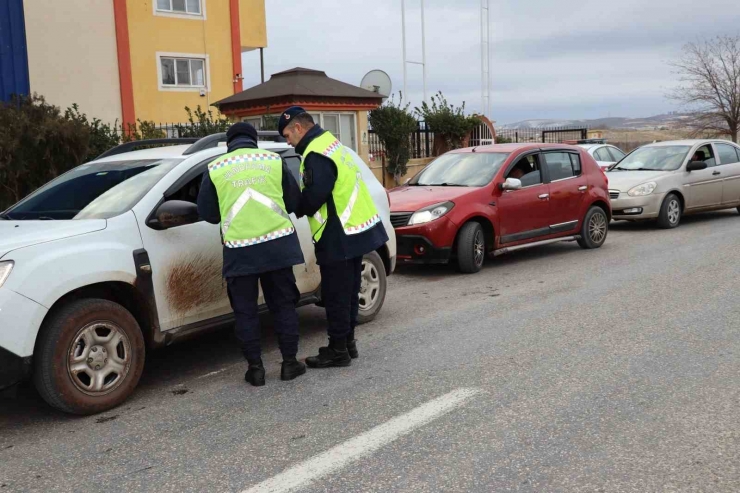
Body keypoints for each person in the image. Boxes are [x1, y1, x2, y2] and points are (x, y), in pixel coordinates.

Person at [197, 122, 306, 386]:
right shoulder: (273, 161)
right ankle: (289, 364)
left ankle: (255, 370)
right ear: (254, 141)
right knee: (283, 306)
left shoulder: (215, 168)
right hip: (278, 246)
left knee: (245, 312)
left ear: (228, 143)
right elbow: (293, 202)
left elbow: (208, 214)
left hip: (239, 251)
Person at [279, 107, 388, 368]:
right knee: (349, 292)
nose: (287, 142)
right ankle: (348, 344)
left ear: (298, 128)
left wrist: (293, 198)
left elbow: (312, 200)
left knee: (337, 294)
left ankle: (338, 350)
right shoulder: (332, 145)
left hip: (338, 234)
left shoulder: (316, 153)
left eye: (287, 135)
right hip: (356, 229)